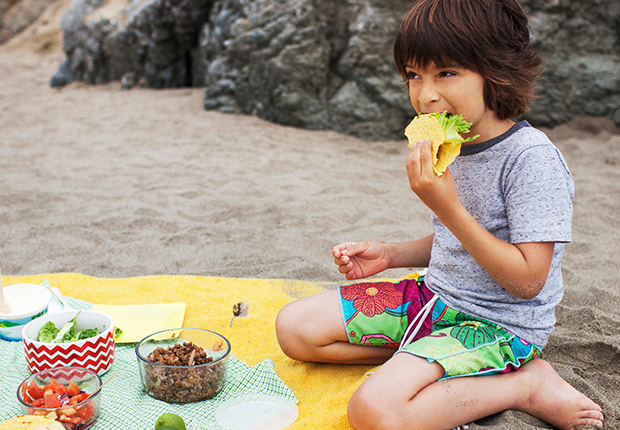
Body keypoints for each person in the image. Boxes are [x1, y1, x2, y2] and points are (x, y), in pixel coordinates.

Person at [275, 0, 605, 429]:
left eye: (446, 73)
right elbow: (461, 244)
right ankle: (427, 362)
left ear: (496, 70)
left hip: (499, 326)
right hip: (433, 300)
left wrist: (445, 205)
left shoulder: (531, 159)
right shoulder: (456, 144)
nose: (425, 94)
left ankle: (526, 385)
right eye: (414, 74)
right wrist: (391, 255)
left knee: (374, 412)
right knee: (294, 328)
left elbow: (528, 280)